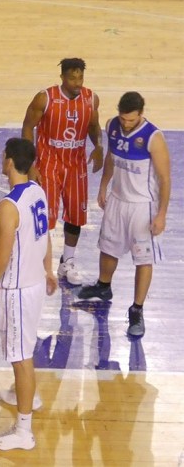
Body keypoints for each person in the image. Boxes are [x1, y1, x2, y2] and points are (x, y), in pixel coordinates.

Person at [0, 138, 58, 451]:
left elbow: (1, 257)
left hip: (17, 291)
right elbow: (45, 234)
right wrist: (49, 269)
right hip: (34, 285)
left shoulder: (9, 206)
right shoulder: (37, 190)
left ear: (9, 161)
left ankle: (23, 430)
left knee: (21, 358)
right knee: (23, 350)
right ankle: (21, 393)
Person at [77, 92, 170, 337]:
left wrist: (161, 214)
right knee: (108, 247)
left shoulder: (153, 137)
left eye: (131, 120)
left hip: (142, 205)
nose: (126, 124)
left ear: (141, 114)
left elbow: (165, 178)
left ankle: (137, 309)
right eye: (123, 119)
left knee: (143, 259)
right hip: (118, 200)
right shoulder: (112, 126)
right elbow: (111, 157)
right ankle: (103, 286)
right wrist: (103, 186)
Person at [21, 58, 103, 285]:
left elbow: (94, 126)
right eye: (72, 78)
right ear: (62, 78)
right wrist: (30, 164)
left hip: (76, 165)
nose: (77, 83)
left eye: (80, 78)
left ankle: (68, 261)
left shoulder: (91, 98)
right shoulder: (45, 98)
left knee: (76, 215)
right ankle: (38, 261)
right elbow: (28, 126)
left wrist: (98, 146)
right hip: (48, 164)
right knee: (44, 217)